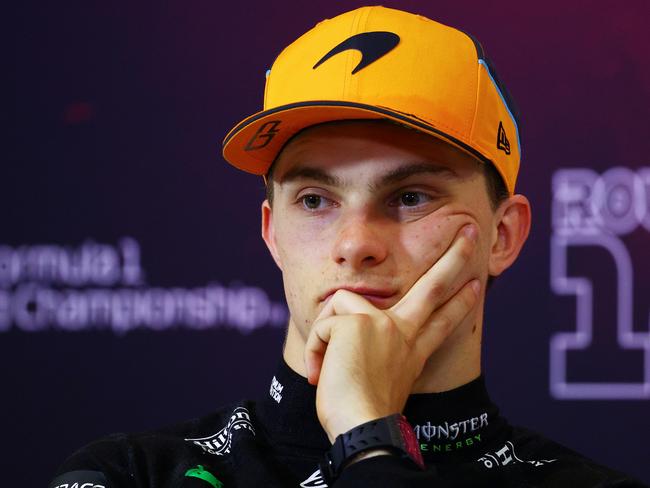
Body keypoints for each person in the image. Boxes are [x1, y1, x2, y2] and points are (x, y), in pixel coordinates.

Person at [49, 6, 646, 488]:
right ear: (272, 233)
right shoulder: (126, 474)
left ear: (504, 235)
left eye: (411, 196)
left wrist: (365, 431)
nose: (356, 244)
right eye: (314, 200)